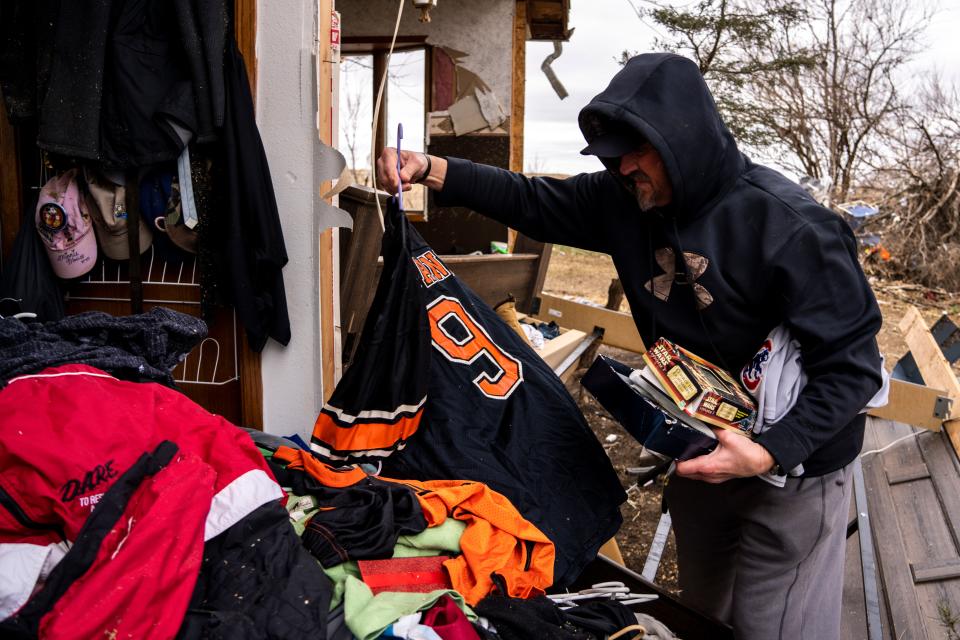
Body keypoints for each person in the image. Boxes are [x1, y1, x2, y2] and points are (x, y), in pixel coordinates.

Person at [376, 52, 883, 640]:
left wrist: (770, 451)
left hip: (796, 465)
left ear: (682, 142)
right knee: (702, 611)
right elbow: (532, 200)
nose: (622, 169)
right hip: (702, 440)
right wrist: (432, 168)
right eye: (613, 156)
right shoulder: (624, 201)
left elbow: (854, 370)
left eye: (635, 153)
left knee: (775, 625)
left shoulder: (791, 227)